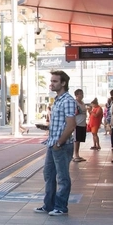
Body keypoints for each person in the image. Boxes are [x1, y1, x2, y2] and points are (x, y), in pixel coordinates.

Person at [35, 70, 78, 216]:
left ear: (63, 83)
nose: (51, 84)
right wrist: (47, 128)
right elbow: (61, 124)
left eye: (55, 81)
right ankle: (49, 205)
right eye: (51, 81)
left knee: (62, 177)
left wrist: (59, 143)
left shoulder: (68, 101)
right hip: (52, 143)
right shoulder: (58, 100)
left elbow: (71, 125)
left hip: (61, 145)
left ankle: (61, 206)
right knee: (48, 174)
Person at [72, 88, 88, 163]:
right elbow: (72, 113)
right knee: (76, 140)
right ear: (76, 95)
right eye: (80, 94)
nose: (82, 95)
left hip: (83, 123)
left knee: (80, 139)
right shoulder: (74, 103)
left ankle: (77, 154)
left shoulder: (82, 103)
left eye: (82, 93)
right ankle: (75, 155)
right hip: (77, 124)